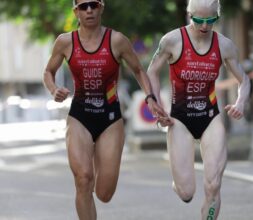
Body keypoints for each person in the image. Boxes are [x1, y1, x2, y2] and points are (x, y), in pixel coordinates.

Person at [42, 0, 166, 219]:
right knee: (83, 179)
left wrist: (150, 98)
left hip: (110, 118)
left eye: (93, 4)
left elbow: (138, 70)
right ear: (76, 12)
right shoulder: (65, 42)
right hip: (80, 115)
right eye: (83, 6)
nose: (88, 10)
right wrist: (54, 90)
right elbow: (48, 72)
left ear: (101, 7)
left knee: (104, 193)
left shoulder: (117, 41)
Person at [147, 0, 250, 219]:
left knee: (213, 185)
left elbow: (244, 80)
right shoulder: (172, 40)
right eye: (199, 20)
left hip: (210, 118)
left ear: (217, 17)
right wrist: (156, 103)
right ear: (189, 15)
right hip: (180, 120)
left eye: (211, 20)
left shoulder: (224, 45)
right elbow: (152, 71)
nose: (204, 26)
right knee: (187, 193)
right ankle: (179, 182)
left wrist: (241, 102)